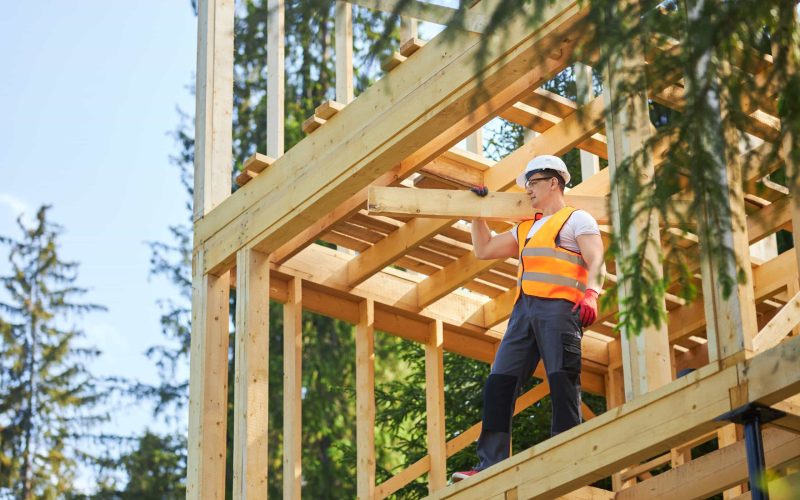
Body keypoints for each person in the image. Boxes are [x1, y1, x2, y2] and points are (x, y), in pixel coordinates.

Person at [452, 155, 605, 482]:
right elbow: (485, 249)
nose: (528, 190)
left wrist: (592, 293)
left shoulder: (577, 220)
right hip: (524, 312)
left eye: (533, 183)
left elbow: (597, 260)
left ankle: (566, 459)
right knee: (499, 382)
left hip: (561, 310)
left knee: (563, 380)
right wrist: (478, 214)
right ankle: (489, 464)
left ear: (554, 182)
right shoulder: (526, 227)